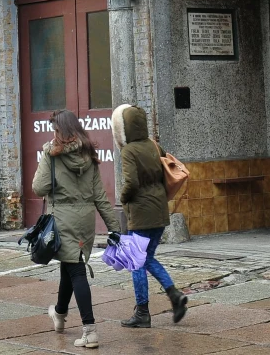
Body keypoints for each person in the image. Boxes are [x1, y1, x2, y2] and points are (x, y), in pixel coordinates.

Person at [33, 109, 120, 349]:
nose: (53, 134)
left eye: (55, 130)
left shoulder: (52, 154)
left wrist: (46, 155)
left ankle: (89, 331)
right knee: (70, 264)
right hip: (85, 222)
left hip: (62, 221)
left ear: (61, 131)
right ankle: (59, 314)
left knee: (77, 271)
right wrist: (114, 228)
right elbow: (100, 196)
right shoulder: (88, 155)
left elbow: (39, 188)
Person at [112, 103, 187, 329]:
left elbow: (131, 182)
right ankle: (174, 295)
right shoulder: (154, 145)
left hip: (141, 213)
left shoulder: (128, 151)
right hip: (159, 210)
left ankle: (143, 312)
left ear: (123, 128)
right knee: (147, 258)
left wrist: (123, 198)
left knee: (136, 262)